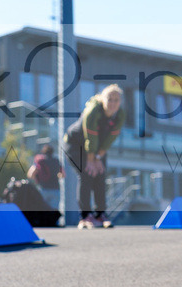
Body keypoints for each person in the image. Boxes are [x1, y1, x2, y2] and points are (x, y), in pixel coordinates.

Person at [62, 84, 125, 229]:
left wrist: (98, 157)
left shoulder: (120, 114)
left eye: (116, 100)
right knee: (86, 174)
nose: (113, 103)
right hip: (75, 144)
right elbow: (91, 137)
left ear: (120, 102)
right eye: (109, 99)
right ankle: (85, 217)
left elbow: (110, 138)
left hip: (96, 148)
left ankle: (101, 215)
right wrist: (91, 159)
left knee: (100, 175)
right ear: (103, 99)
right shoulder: (93, 111)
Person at [27, 143, 65, 212]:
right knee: (54, 212)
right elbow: (63, 175)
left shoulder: (40, 161)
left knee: (42, 211)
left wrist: (37, 179)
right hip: (55, 189)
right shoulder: (56, 161)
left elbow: (31, 174)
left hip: (43, 189)